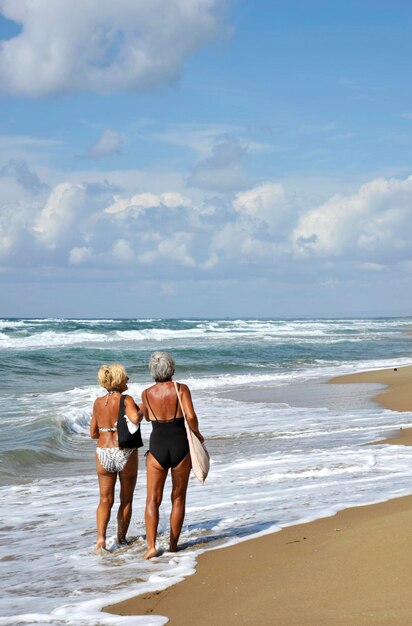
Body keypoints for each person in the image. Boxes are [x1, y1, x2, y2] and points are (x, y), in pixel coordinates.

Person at [141, 351, 204, 559]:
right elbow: (191, 416)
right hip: (180, 445)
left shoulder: (146, 393)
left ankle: (151, 547)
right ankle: (173, 545)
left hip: (157, 445)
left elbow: (149, 418)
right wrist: (197, 433)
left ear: (153, 371)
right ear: (172, 368)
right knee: (178, 497)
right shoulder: (181, 388)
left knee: (152, 499)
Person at [90, 363, 143, 553]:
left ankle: (100, 540)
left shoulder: (97, 402)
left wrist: (108, 431)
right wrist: (142, 409)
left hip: (102, 452)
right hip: (124, 451)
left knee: (105, 499)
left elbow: (93, 433)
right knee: (126, 499)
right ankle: (121, 539)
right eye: (126, 377)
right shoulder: (126, 399)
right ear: (119, 381)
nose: (128, 380)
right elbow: (135, 419)